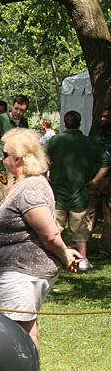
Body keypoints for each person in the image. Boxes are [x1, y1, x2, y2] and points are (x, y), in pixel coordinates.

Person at [0, 127, 81, 371]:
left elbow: (50, 235)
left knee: (19, 333)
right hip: (21, 270)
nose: (2, 159)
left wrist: (64, 255)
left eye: (5, 155)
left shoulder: (31, 188)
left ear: (18, 159)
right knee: (26, 328)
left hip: (25, 272)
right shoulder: (26, 183)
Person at [45, 110, 109, 270]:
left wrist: (44, 176)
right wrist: (96, 180)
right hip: (80, 194)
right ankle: (83, 260)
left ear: (65, 124)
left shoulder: (54, 141)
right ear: (80, 123)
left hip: (58, 194)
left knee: (55, 228)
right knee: (81, 229)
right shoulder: (89, 142)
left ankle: (55, 257)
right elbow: (105, 162)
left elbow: (39, 155)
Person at [0, 95, 30, 211]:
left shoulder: (24, 123)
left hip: (18, 168)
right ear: (12, 106)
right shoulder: (0, 120)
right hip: (1, 167)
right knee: (0, 202)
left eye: (22, 110)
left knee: (16, 202)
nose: (18, 112)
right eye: (16, 108)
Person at [90, 107, 111, 259]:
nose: (102, 119)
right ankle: (80, 246)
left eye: (106, 117)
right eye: (101, 117)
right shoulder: (96, 136)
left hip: (109, 179)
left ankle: (105, 250)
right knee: (89, 214)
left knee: (108, 218)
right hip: (94, 178)